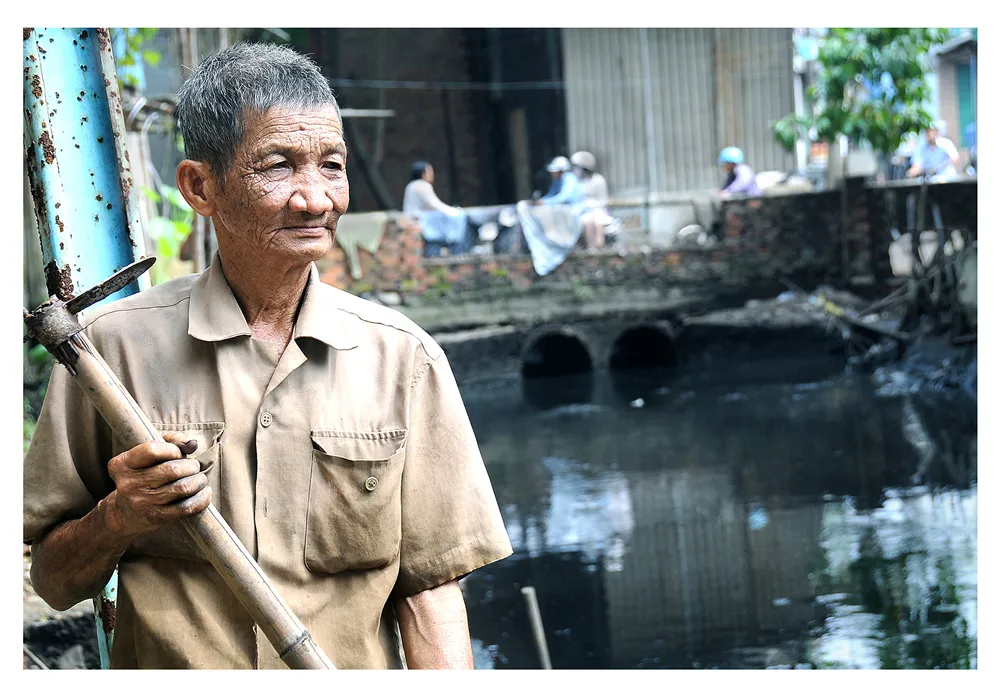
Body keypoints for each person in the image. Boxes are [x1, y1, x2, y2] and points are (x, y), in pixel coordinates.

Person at [23, 43, 512, 670]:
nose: (316, 198)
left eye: (332, 166)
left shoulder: (404, 359)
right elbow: (56, 583)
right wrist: (120, 516)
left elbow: (431, 593)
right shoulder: (113, 349)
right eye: (278, 166)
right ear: (200, 187)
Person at [402, 161, 473, 256]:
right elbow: (434, 204)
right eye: (429, 172)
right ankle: (462, 250)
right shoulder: (422, 185)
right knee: (459, 218)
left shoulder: (411, 185)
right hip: (418, 219)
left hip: (415, 217)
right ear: (423, 174)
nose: (432, 175)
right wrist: (454, 211)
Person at [571, 150, 614, 249]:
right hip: (582, 212)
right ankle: (591, 248)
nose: (575, 170)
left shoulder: (598, 180)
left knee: (598, 221)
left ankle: (600, 246)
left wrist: (594, 208)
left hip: (598, 210)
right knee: (587, 221)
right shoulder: (575, 182)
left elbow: (603, 200)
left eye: (578, 167)